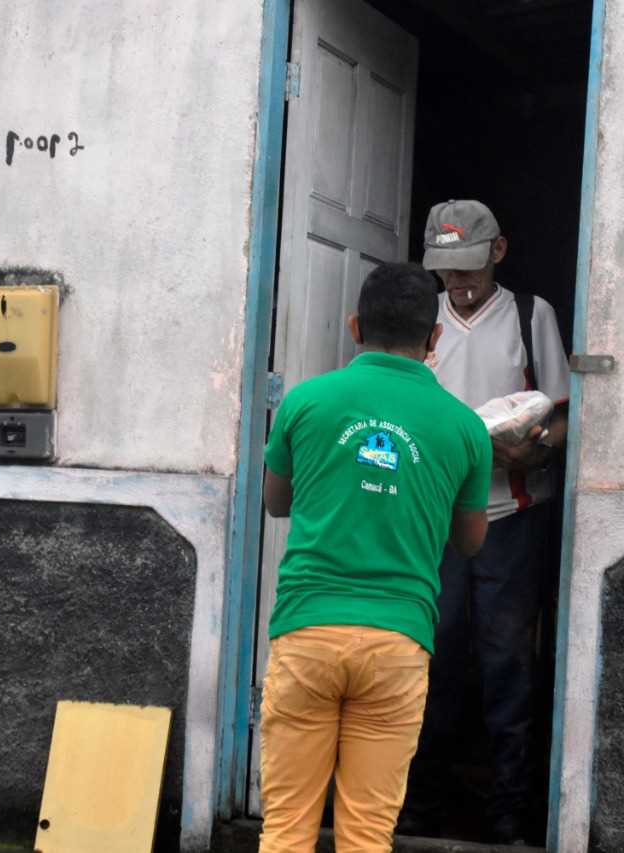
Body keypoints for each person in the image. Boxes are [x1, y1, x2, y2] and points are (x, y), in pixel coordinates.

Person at [258, 261, 494, 853]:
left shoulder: (304, 403)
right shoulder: (466, 429)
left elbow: (276, 502)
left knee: (285, 829)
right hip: (397, 642)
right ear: (434, 337)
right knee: (366, 835)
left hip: (308, 630)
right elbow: (470, 542)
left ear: (355, 327)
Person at [400, 199, 570, 845]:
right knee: (431, 657)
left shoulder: (530, 314)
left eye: (470, 266)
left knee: (506, 662)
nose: (459, 281)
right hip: (435, 522)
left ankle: (509, 813)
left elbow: (559, 414)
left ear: (498, 251)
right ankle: (421, 804)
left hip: (511, 517)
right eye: (447, 270)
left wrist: (534, 450)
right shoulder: (421, 322)